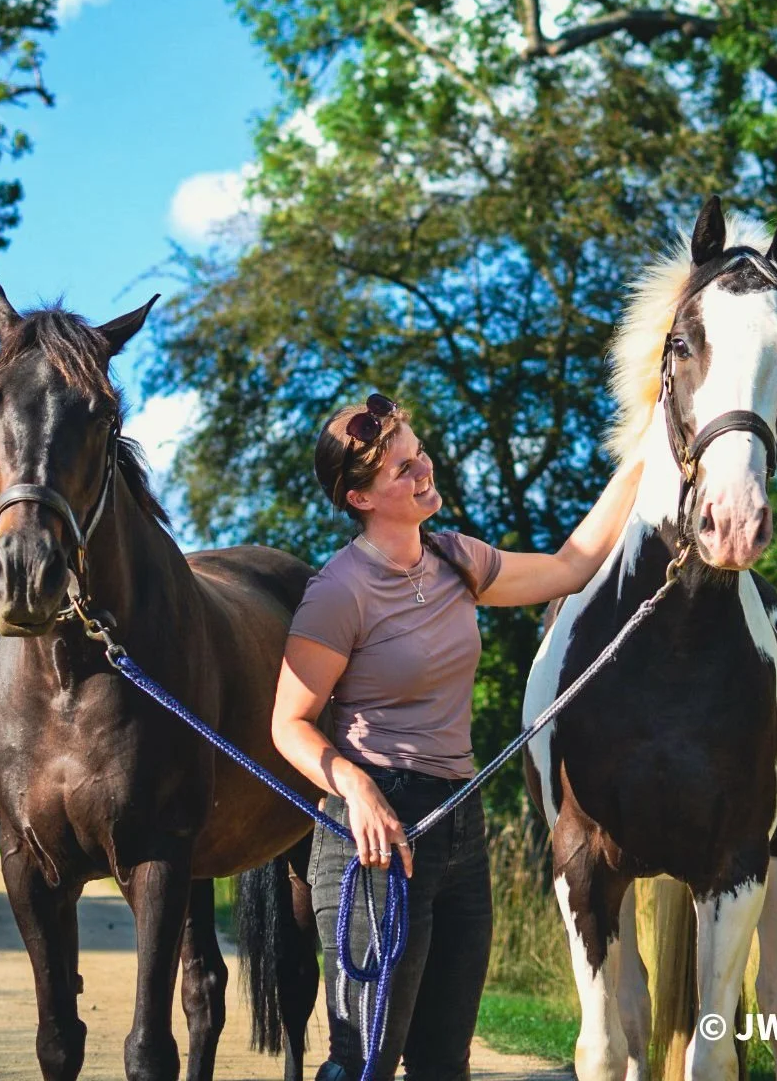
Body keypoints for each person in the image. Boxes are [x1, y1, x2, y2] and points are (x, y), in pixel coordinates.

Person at [271, 393, 642, 1081]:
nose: (423, 471)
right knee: (365, 1061)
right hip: (376, 837)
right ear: (359, 498)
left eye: (419, 454)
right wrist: (355, 787)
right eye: (402, 469)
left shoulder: (457, 559)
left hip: (460, 826)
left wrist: (648, 452)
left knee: (444, 1062)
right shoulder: (338, 592)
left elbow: (571, 566)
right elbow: (286, 724)